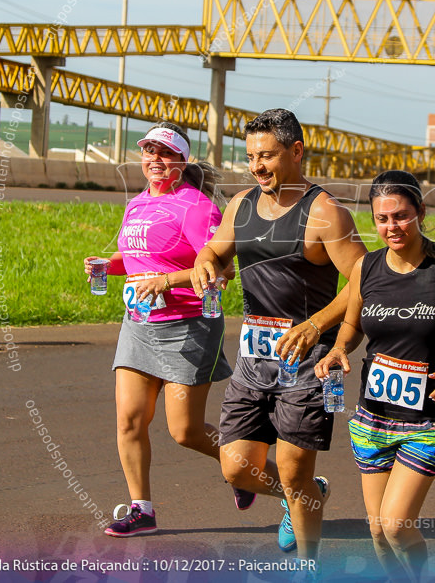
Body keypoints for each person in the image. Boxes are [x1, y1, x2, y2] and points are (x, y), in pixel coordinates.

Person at [315, 170, 435, 581]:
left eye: (401, 216)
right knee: (377, 531)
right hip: (372, 420)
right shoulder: (366, 268)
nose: (392, 227)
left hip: (430, 420)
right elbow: (351, 328)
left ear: (420, 212)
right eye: (383, 219)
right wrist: (337, 350)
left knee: (396, 526)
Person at [190, 108, 367, 563]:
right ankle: (307, 496)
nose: (257, 166)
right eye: (251, 157)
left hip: (307, 362)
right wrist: (204, 260)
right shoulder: (241, 204)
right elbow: (215, 247)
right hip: (254, 358)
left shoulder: (325, 212)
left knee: (292, 472)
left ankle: (308, 567)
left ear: (296, 151)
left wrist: (314, 326)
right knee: (237, 468)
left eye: (266, 156)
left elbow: (365, 282)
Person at [82, 121, 234, 537]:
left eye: (165, 153)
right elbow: (135, 261)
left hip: (188, 326)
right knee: (129, 421)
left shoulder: (196, 206)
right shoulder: (137, 204)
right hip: (139, 324)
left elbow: (223, 271)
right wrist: (106, 265)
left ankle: (249, 468)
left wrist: (167, 282)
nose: (155, 160)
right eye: (149, 151)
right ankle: (142, 509)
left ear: (182, 161)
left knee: (185, 432)